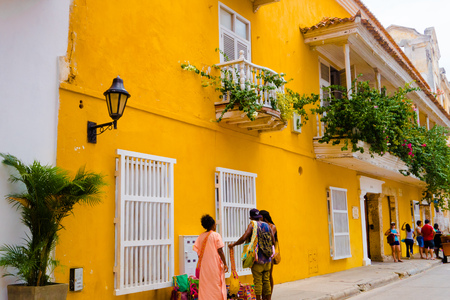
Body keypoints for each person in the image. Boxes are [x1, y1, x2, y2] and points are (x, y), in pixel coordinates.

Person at [229, 209, 275, 300]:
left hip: (257, 260)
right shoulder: (267, 226)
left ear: (251, 217)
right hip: (268, 260)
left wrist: (233, 244)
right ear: (259, 217)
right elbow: (273, 241)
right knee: (266, 281)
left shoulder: (252, 225)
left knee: (258, 282)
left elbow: (244, 237)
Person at [193, 215, 228, 300]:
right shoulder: (216, 235)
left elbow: (199, 254)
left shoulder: (200, 236)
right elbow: (220, 251)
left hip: (204, 267)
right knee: (216, 286)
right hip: (215, 266)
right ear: (212, 225)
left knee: (205, 287)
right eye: (215, 224)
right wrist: (225, 264)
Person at [260, 210, 277, 296]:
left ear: (264, 218)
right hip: (263, 253)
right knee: (264, 276)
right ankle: (264, 294)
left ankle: (269, 295)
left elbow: (269, 237)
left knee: (269, 275)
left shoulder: (272, 226)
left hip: (270, 253)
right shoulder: (262, 226)